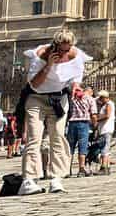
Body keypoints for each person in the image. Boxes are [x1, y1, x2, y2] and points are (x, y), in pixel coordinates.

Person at [17, 28, 90, 196]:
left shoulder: (75, 55)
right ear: (55, 45)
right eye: (63, 49)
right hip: (36, 98)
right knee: (34, 138)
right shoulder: (41, 55)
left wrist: (75, 88)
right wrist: (49, 65)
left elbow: (74, 80)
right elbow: (34, 84)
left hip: (59, 100)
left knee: (58, 137)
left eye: (69, 48)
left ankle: (56, 178)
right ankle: (29, 179)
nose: (66, 52)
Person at [65, 83, 94, 176]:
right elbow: (93, 114)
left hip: (72, 123)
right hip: (84, 123)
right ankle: (81, 169)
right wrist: (94, 124)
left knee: (70, 147)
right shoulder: (90, 99)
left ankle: (67, 169)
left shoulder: (72, 98)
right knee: (83, 147)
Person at [94, 90, 115, 175]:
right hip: (103, 129)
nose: (100, 100)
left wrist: (97, 119)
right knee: (106, 148)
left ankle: (104, 167)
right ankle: (108, 166)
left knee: (104, 149)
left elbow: (107, 115)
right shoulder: (104, 105)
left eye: (101, 98)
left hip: (106, 129)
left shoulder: (108, 104)